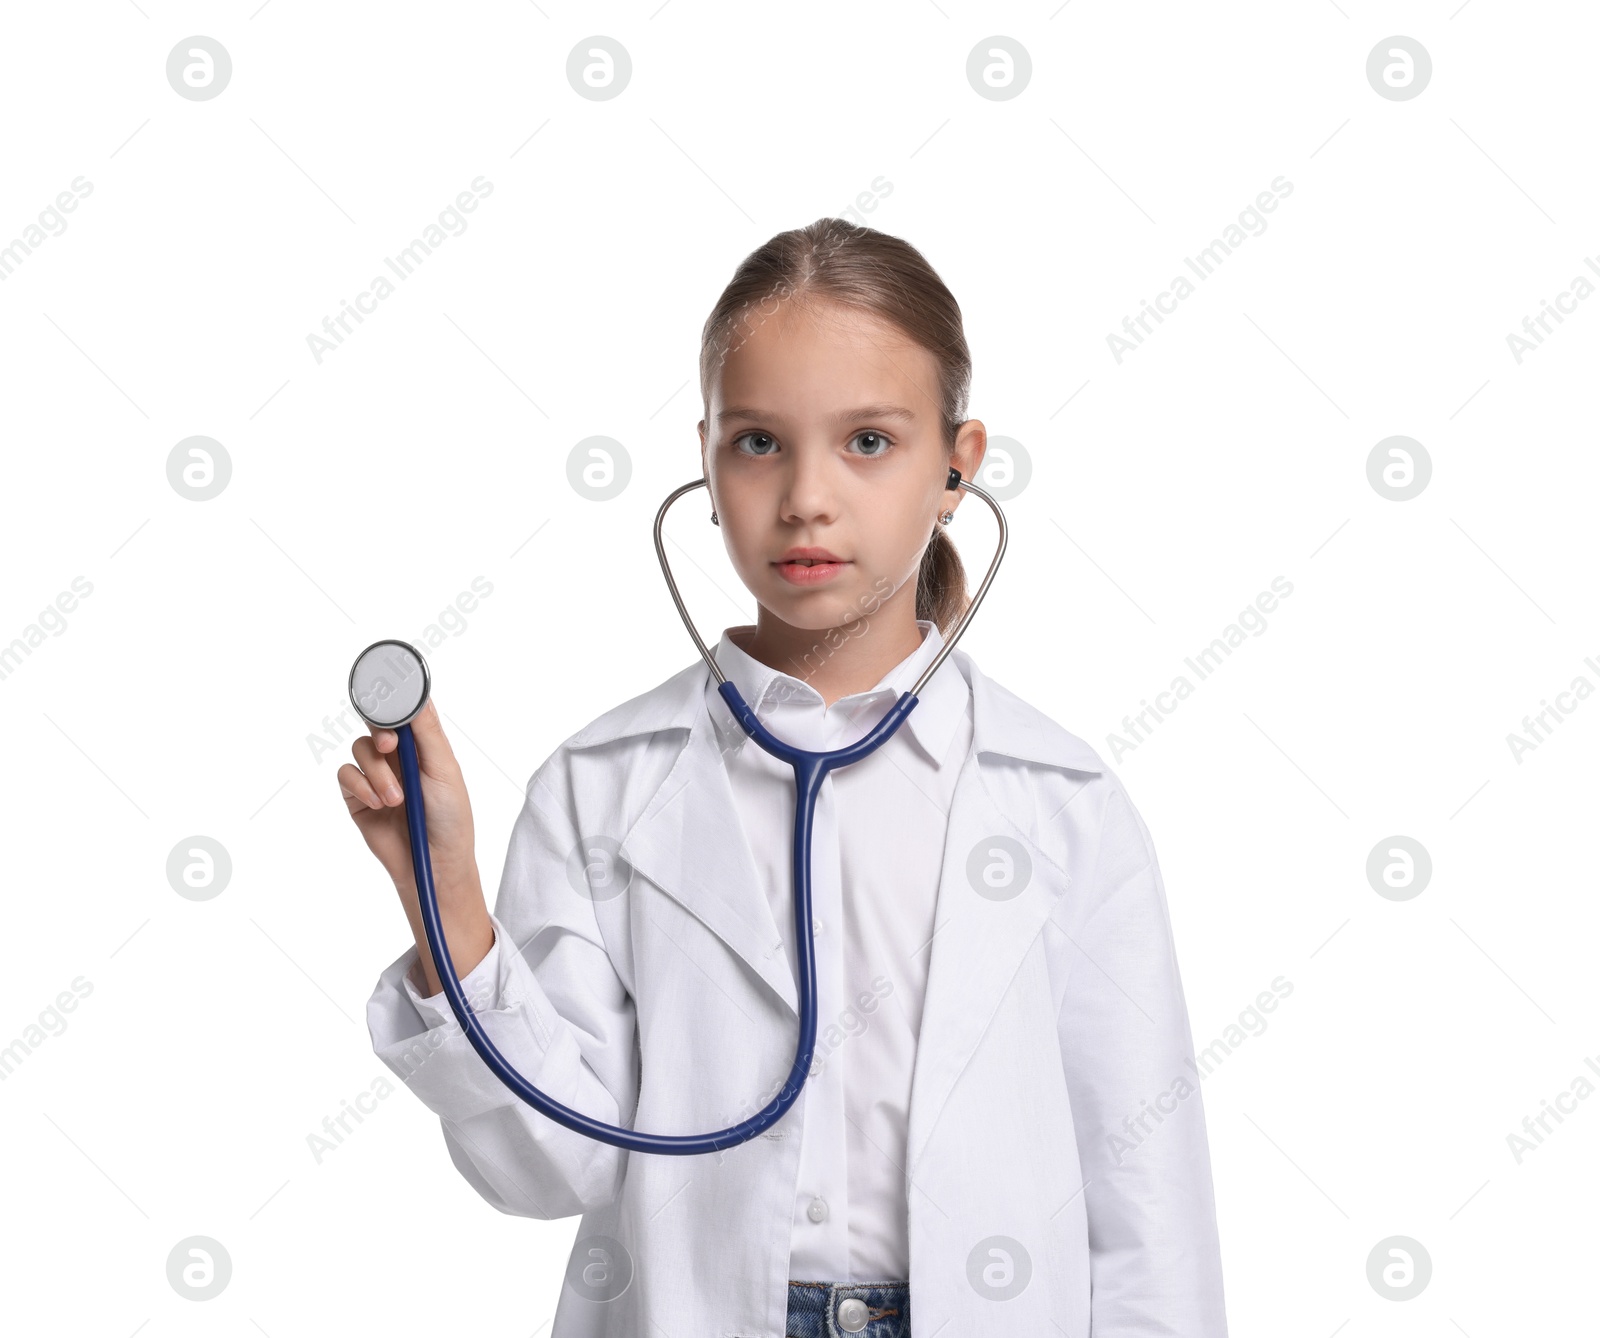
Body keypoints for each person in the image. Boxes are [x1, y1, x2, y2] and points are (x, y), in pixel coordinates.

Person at [346, 218, 1229, 1338]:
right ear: (707, 461)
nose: (807, 497)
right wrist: (447, 901)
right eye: (760, 443)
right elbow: (550, 1168)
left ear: (957, 468)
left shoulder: (1061, 801)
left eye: (868, 442)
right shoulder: (601, 787)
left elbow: (1146, 1202)